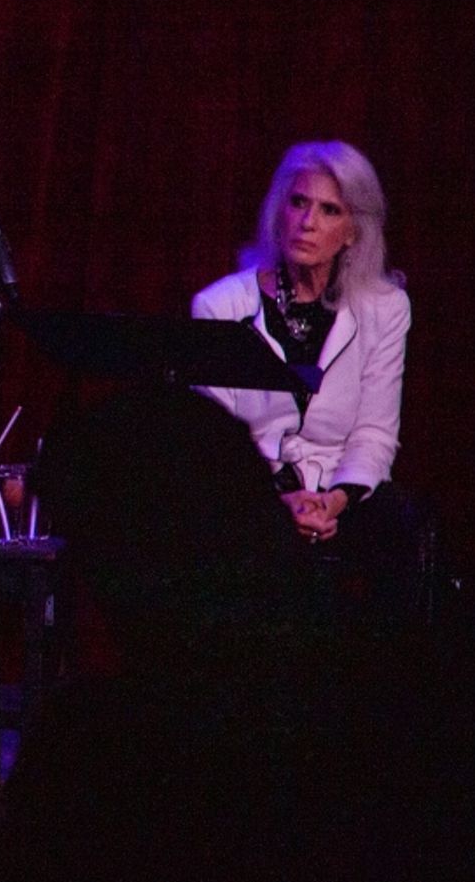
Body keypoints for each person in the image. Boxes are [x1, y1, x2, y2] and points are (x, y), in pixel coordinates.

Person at [191, 141, 431, 620]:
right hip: (253, 490)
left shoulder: (385, 309)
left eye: (328, 210)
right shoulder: (219, 307)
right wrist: (284, 498)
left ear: (351, 232)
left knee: (405, 522)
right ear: (279, 210)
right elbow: (216, 443)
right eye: (298, 203)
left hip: (344, 490)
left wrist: (334, 500)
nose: (308, 222)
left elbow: (375, 433)